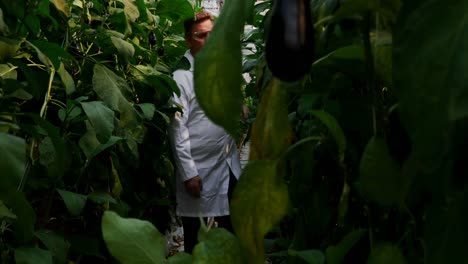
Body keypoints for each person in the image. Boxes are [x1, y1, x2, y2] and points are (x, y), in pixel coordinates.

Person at [169, 10, 242, 254]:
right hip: (198, 167)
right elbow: (177, 128)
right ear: (189, 40)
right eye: (201, 36)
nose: (209, 41)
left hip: (227, 161)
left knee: (232, 223)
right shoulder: (181, 76)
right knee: (195, 234)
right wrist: (188, 173)